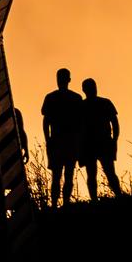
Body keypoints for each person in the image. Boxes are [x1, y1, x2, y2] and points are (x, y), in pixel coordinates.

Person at [41, 68, 83, 207]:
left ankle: (56, 204)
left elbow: (46, 121)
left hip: (60, 141)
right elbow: (81, 122)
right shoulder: (76, 98)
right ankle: (63, 203)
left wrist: (48, 139)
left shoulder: (51, 97)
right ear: (69, 80)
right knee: (66, 175)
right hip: (67, 142)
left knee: (58, 175)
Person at [79, 78, 121, 199]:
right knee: (99, 173)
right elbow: (115, 123)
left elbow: (115, 123)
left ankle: (113, 196)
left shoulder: (84, 105)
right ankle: (115, 196)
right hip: (93, 144)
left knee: (104, 173)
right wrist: (114, 140)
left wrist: (114, 139)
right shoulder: (102, 103)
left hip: (99, 143)